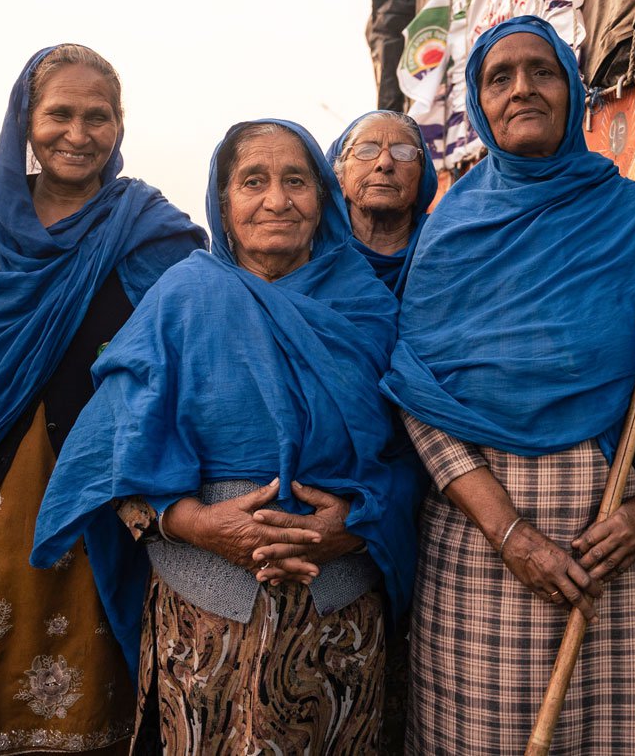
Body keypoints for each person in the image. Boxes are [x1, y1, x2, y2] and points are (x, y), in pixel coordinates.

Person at [381, 16, 635, 754]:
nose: (522, 89)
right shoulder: (450, 231)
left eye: (541, 71)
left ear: (573, 91)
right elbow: (418, 397)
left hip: (619, 553)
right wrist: (511, 534)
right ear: (479, 103)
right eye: (499, 76)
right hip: (483, 555)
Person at [32, 119, 424, 754]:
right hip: (203, 620)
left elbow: (412, 457)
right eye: (253, 181)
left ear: (322, 195)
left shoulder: (367, 307)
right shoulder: (181, 298)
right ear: (223, 202)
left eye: (296, 180)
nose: (277, 199)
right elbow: (110, 458)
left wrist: (357, 523)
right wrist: (195, 524)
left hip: (338, 619)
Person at [0, 44, 207, 756]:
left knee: (99, 709)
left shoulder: (146, 227)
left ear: (120, 127)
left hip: (104, 520)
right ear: (25, 120)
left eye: (98, 116)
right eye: (59, 112)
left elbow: (203, 338)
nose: (78, 131)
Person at [326, 110, 437, 295]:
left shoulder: (446, 246)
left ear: (422, 180)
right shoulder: (310, 255)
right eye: (366, 150)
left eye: (403, 153)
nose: (384, 163)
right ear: (340, 180)